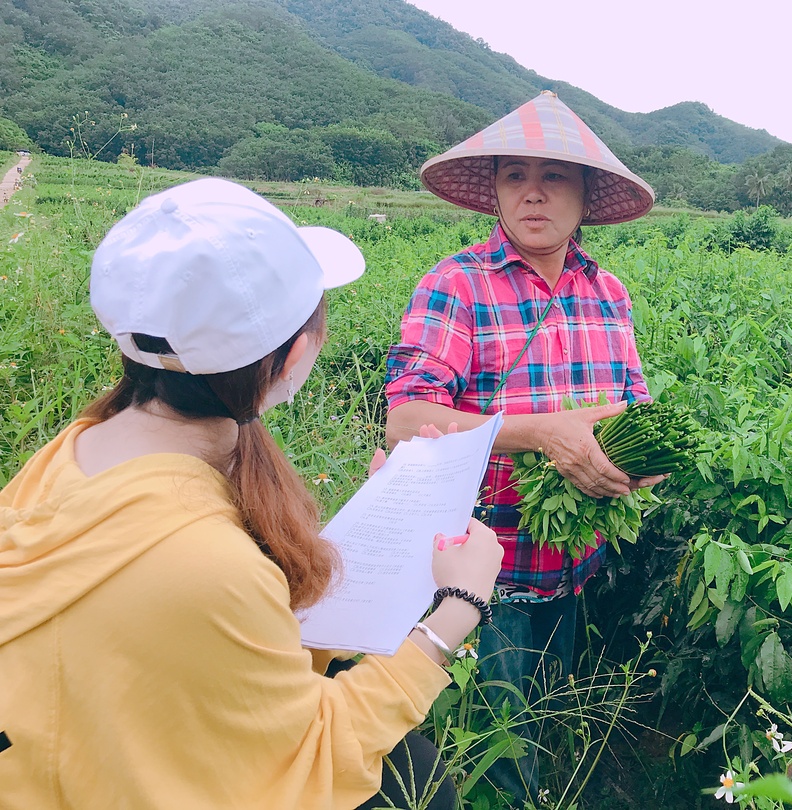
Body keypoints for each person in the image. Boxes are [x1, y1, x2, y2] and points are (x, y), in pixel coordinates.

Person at [0, 178, 503, 809]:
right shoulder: (209, 563)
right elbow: (311, 754)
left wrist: (390, 519)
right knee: (418, 785)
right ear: (293, 358)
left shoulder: (70, 453)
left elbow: (224, 629)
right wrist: (458, 606)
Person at [384, 91, 662, 803]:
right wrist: (538, 434)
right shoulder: (457, 285)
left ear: (586, 194)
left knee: (545, 715)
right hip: (482, 571)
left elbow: (637, 403)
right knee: (495, 757)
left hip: (576, 561)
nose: (533, 193)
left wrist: (642, 463)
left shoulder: (609, 292)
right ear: (497, 194)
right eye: (515, 177)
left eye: (554, 176)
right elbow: (408, 421)